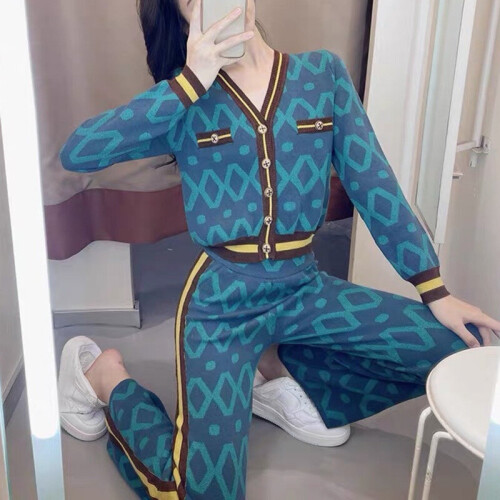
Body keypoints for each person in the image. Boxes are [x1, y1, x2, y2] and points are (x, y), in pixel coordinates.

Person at [56, 0, 500, 498]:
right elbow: (79, 152)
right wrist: (189, 83)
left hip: (303, 290)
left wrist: (434, 289)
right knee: (200, 493)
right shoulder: (184, 98)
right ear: (181, 17)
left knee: (461, 350)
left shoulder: (321, 76)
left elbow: (374, 184)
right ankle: (107, 380)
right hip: (221, 307)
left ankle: (279, 374)